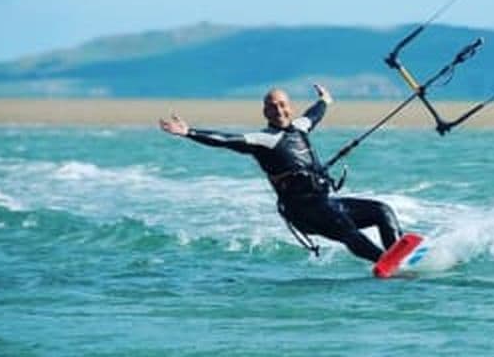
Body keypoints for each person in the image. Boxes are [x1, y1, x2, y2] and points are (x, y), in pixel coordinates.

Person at [159, 84, 402, 262]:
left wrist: (325, 100)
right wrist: (189, 132)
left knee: (382, 211)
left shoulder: (300, 127)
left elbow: (314, 114)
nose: (278, 109)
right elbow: (225, 139)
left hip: (325, 203)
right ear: (266, 113)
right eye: (272, 106)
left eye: (282, 104)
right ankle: (387, 264)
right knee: (347, 230)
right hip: (302, 211)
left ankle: (399, 257)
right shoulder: (262, 140)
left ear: (290, 108)